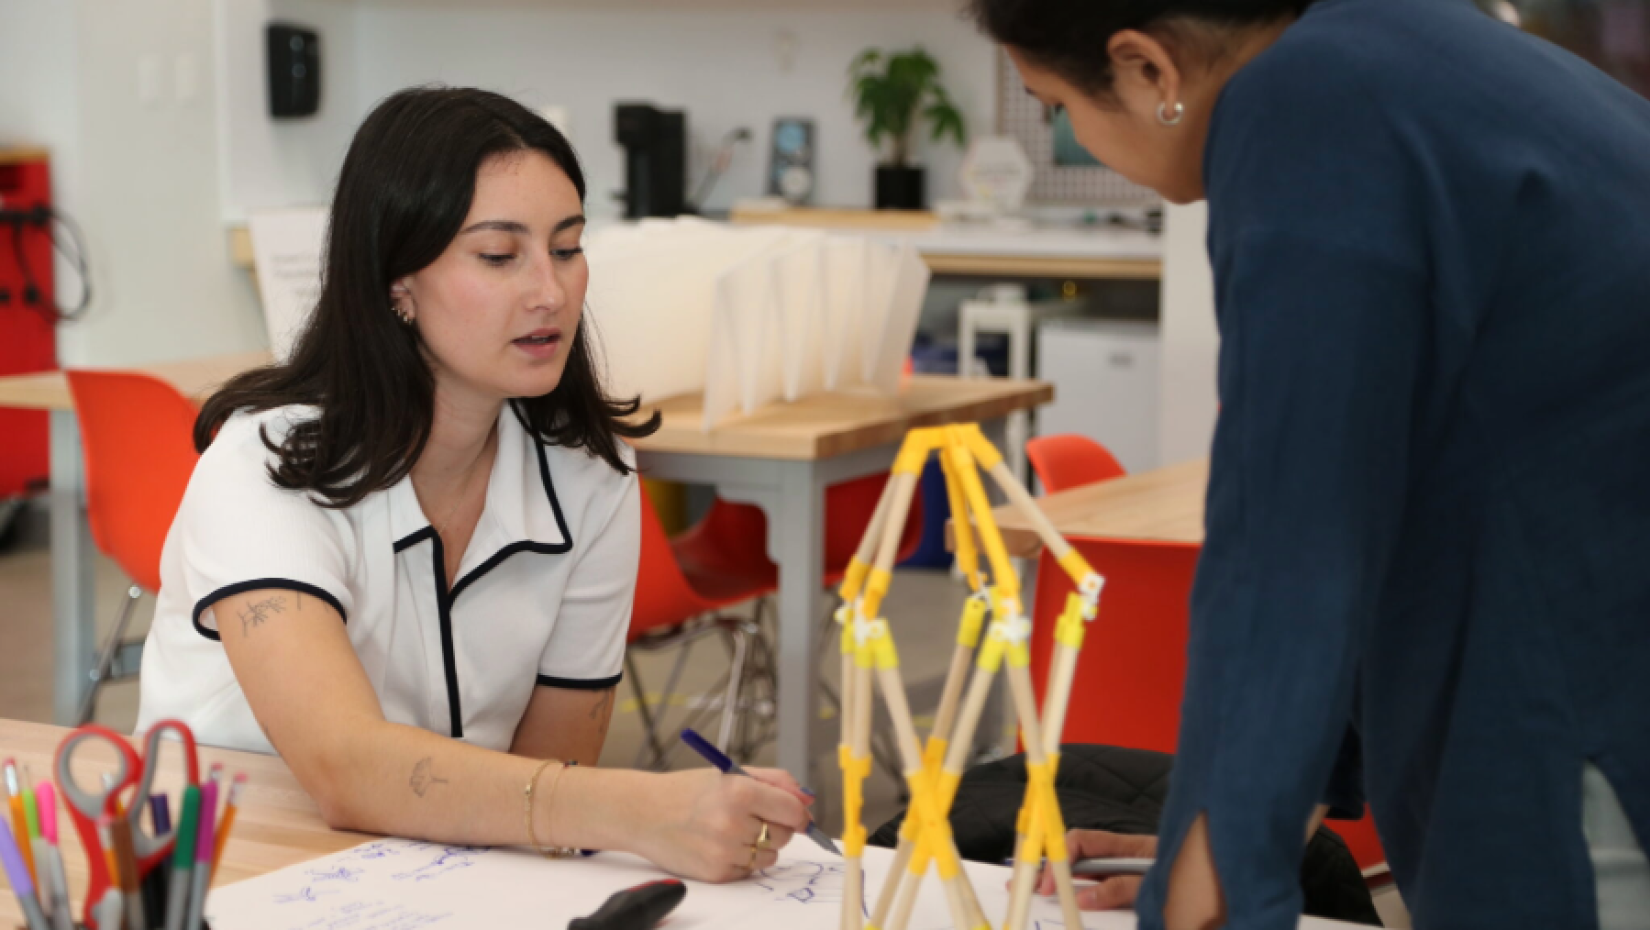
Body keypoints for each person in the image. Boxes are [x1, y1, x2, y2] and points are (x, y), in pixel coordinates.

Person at [969, 0, 1650, 927]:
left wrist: (1219, 860)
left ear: (1149, 69)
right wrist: (1235, 834)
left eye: (1057, 105)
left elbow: (1287, 528)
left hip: (1587, 696)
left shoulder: (1302, 107)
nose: (1073, 134)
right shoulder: (1405, 48)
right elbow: (1372, 475)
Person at [135, 86, 809, 883]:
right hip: (226, 873)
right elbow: (345, 767)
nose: (550, 292)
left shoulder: (591, 477)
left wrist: (612, 811)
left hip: (442, 876)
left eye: (567, 248)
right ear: (397, 282)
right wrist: (644, 810)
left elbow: (550, 784)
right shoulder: (267, 465)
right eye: (498, 256)